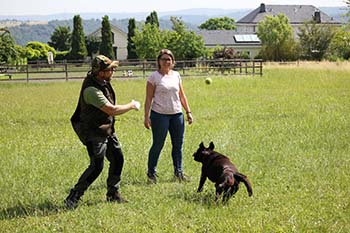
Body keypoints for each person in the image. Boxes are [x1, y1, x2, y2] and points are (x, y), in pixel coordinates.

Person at [65, 55, 141, 208]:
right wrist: (132, 105)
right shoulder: (91, 89)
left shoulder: (102, 82)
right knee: (97, 166)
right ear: (100, 72)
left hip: (106, 129)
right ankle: (73, 197)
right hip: (93, 132)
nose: (113, 71)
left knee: (118, 158)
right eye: (110, 69)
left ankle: (113, 194)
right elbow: (111, 109)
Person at [144, 49, 193, 184]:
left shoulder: (176, 75)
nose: (166, 61)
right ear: (159, 61)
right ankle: (151, 173)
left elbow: (182, 95)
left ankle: (179, 172)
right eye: (163, 59)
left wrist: (188, 112)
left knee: (178, 145)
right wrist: (146, 116)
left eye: (168, 59)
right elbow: (148, 99)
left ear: (173, 62)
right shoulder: (153, 77)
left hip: (177, 115)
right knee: (158, 144)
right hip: (159, 115)